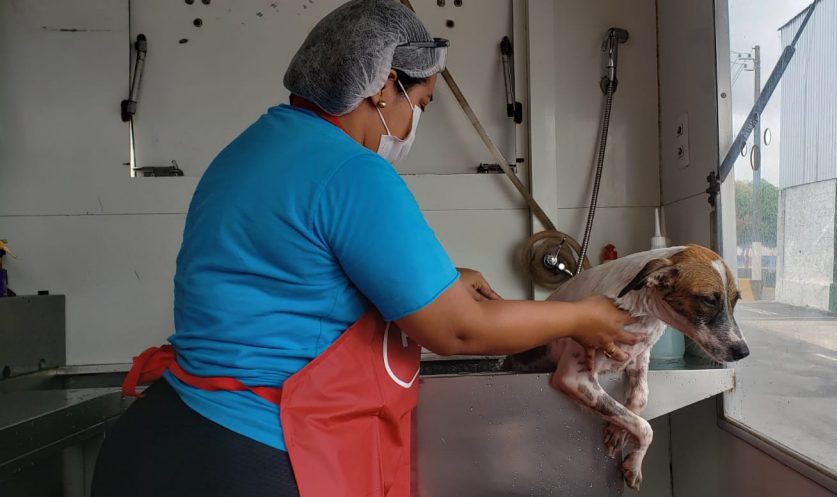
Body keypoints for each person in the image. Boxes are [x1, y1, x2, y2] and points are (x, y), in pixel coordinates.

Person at [90, 1, 637, 496]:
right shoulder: (352, 171)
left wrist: (441, 278)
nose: (412, 122)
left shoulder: (250, 150)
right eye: (420, 102)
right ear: (384, 86)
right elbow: (459, 329)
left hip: (163, 437)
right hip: (253, 454)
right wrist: (583, 315)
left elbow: (294, 270)